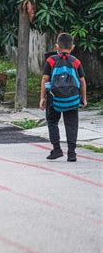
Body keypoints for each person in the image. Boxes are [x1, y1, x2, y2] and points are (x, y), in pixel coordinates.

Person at [39, 33, 87, 162]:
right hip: (72, 97)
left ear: (56, 46)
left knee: (52, 121)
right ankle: (72, 153)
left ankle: (57, 149)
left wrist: (42, 98)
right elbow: (82, 81)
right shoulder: (76, 61)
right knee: (71, 123)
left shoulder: (51, 60)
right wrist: (84, 98)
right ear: (72, 47)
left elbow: (45, 79)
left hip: (54, 97)